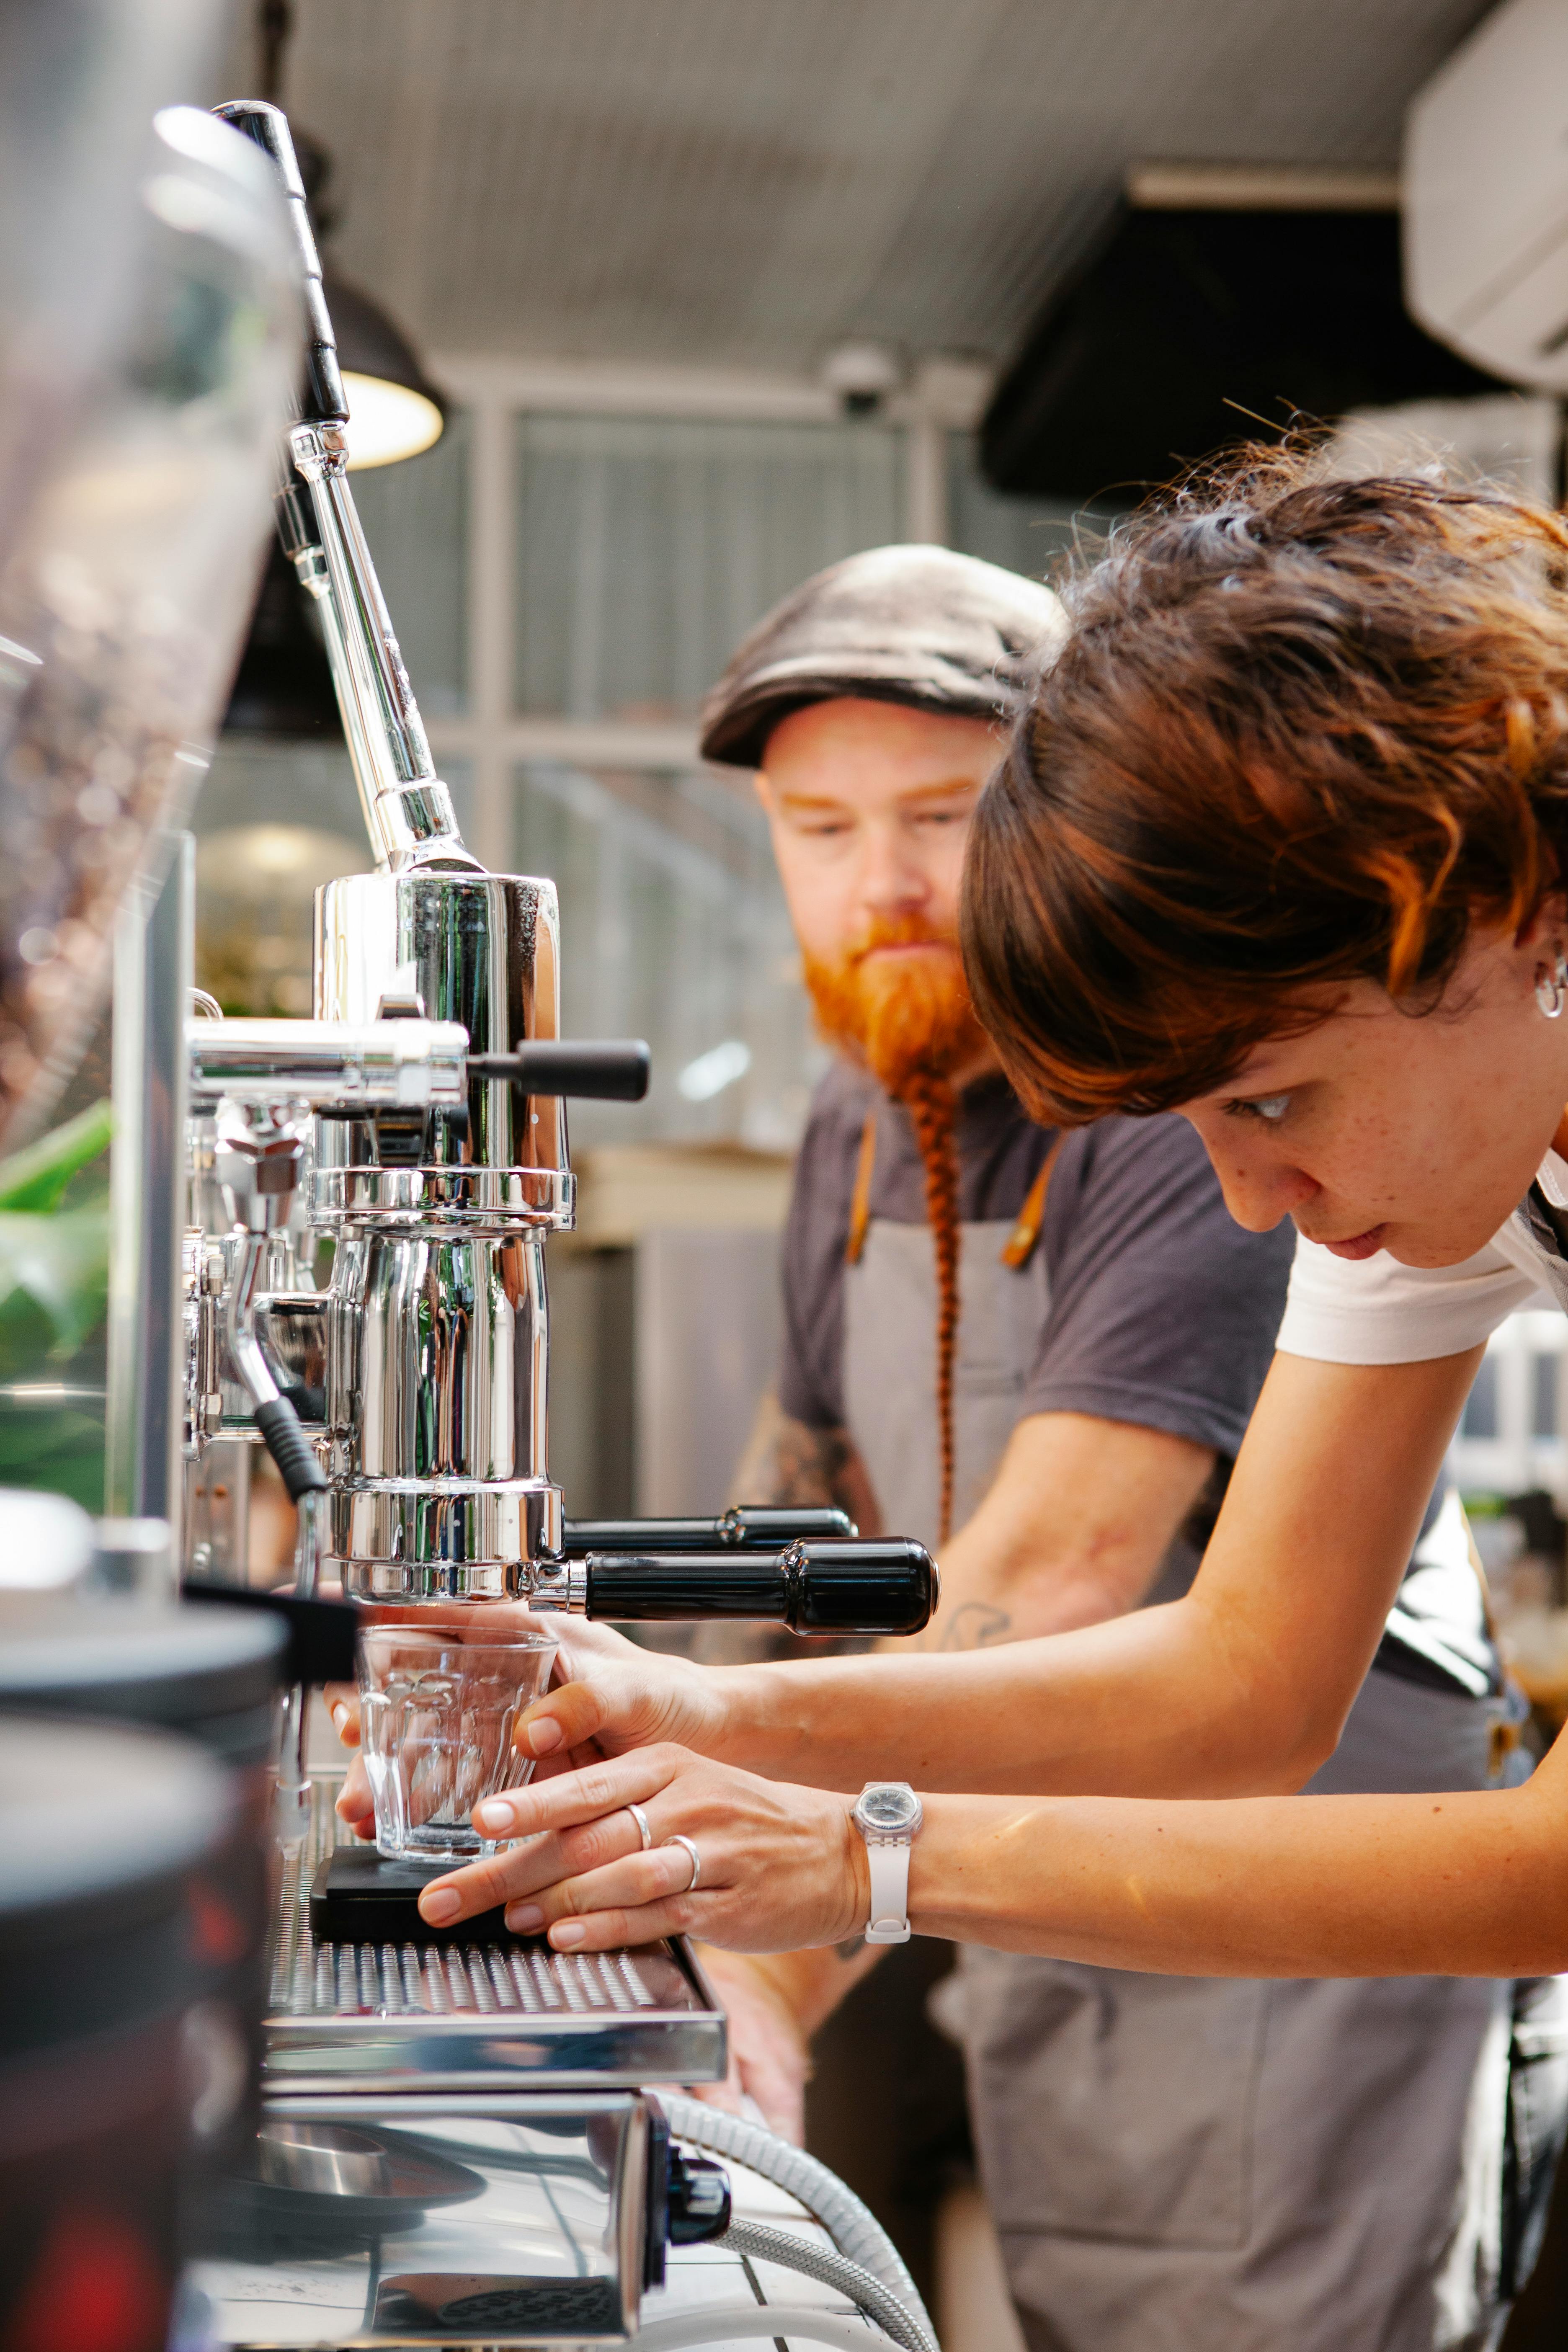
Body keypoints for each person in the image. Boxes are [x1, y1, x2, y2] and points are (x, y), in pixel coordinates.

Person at [343, 514, 1568, 2350]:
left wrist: (859, 1861)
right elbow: (1243, 1676)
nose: (1248, 1204)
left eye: (1268, 1100)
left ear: (1512, 911)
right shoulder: (1410, 1144)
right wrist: (714, 1711)